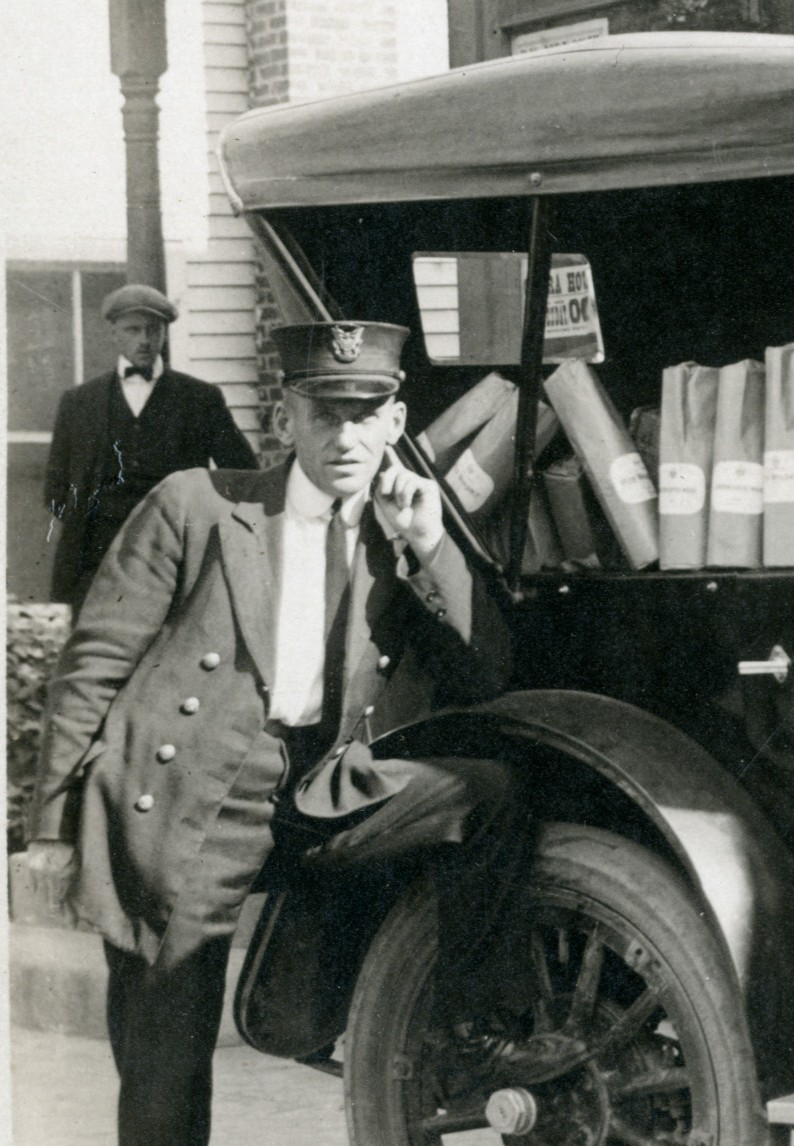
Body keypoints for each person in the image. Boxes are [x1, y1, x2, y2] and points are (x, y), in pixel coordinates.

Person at [27, 321, 537, 1146]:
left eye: (366, 413)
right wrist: (50, 832)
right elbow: (93, 665)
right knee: (165, 1066)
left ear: (396, 423)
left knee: (488, 798)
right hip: (187, 794)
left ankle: (467, 1034)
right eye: (325, 413)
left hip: (319, 788)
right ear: (284, 419)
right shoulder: (197, 504)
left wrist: (430, 541)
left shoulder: (397, 527)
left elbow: (488, 673)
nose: (346, 436)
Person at [44, 284, 260, 606]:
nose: (144, 340)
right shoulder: (79, 402)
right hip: (96, 559)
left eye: (153, 330)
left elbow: (244, 474)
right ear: (114, 334)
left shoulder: (200, 399)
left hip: (177, 554)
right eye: (133, 330)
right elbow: (55, 488)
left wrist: (204, 525)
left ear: (165, 335)